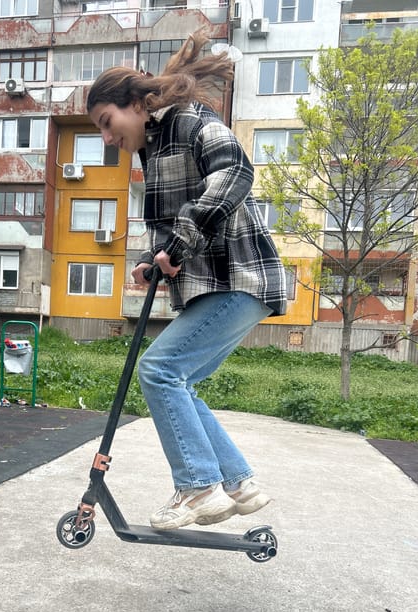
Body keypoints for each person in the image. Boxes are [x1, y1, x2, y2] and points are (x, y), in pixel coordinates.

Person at [87, 30, 287, 531]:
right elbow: (171, 227)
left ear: (135, 103)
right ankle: (239, 484)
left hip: (237, 277)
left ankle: (198, 486)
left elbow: (236, 173)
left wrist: (178, 244)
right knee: (183, 382)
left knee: (158, 371)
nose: (108, 139)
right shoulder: (152, 151)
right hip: (220, 286)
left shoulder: (189, 120)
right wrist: (154, 259)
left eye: (108, 124)